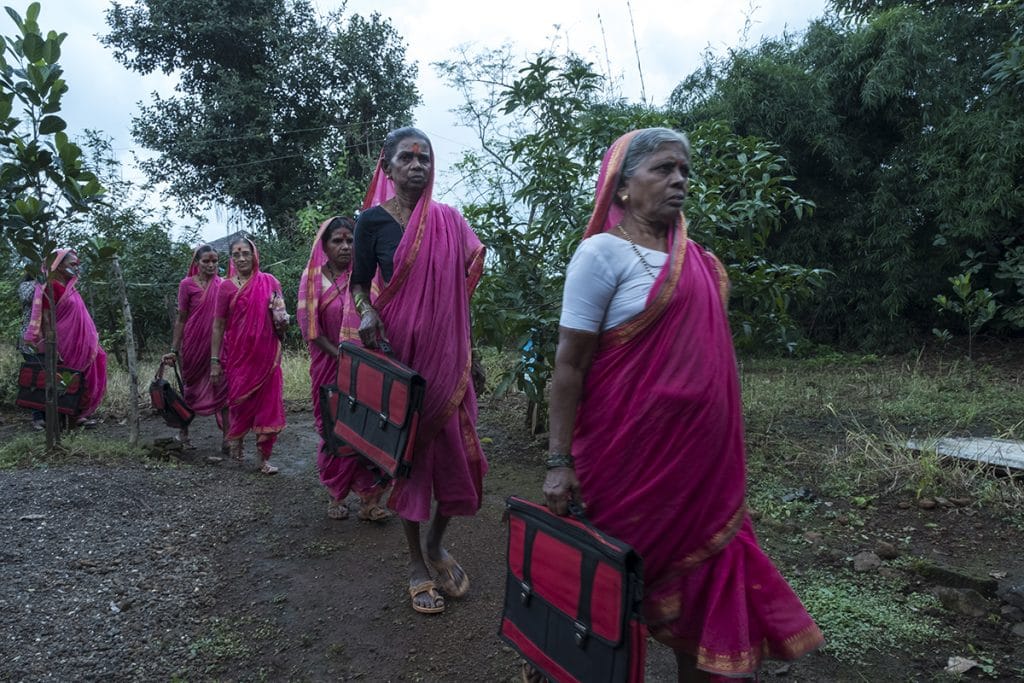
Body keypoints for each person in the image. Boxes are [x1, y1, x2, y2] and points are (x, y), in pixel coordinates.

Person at [542, 128, 824, 681]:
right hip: (625, 467)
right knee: (610, 599)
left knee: (702, 602)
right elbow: (570, 365)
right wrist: (558, 462)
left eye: (685, 171)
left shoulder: (700, 262)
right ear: (621, 188)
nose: (679, 181)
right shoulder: (601, 254)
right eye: (664, 169)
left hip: (703, 477)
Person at [351, 127, 486, 615]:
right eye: (406, 158)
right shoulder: (371, 223)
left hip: (450, 362)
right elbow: (359, 286)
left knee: (460, 462)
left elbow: (457, 295)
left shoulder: (448, 220)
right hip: (403, 362)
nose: (417, 166)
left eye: (424, 158)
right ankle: (415, 563)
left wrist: (474, 356)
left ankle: (437, 544)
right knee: (411, 465)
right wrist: (366, 312)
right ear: (387, 167)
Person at [298, 216, 391, 521]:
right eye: (337, 240)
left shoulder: (364, 279)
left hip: (365, 369)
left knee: (370, 431)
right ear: (324, 245)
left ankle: (370, 500)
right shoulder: (313, 280)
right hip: (329, 367)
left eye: (350, 240)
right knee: (334, 431)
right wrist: (342, 357)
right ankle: (335, 494)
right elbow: (312, 331)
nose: (345, 246)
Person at [210, 236, 289, 475]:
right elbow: (218, 324)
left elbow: (281, 316)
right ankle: (237, 441)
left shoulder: (270, 281)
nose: (242, 258)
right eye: (237, 254)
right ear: (231, 258)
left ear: (255, 255)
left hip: (267, 356)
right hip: (238, 357)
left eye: (246, 253)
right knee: (240, 402)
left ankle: (263, 458)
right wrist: (214, 360)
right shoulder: (226, 287)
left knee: (268, 405)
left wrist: (282, 319)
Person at [22, 249, 107, 427]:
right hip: (64, 341)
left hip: (80, 341)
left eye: (77, 264)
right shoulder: (51, 287)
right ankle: (63, 418)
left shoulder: (70, 287)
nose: (76, 268)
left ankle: (78, 414)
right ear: (59, 265)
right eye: (72, 264)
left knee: (85, 373)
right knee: (66, 377)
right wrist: (52, 344)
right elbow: (46, 318)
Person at [162, 244, 229, 452]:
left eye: (215, 261)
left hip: (219, 345)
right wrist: (174, 349)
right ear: (196, 263)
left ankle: (227, 437)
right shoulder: (186, 285)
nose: (211, 265)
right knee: (190, 390)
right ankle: (184, 433)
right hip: (193, 344)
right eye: (206, 261)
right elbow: (181, 319)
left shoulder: (224, 285)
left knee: (223, 389)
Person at [17, 272, 45, 430]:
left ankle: (50, 415)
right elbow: (27, 297)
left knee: (48, 376)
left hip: (48, 339)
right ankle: (37, 417)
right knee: (36, 378)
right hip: (30, 340)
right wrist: (40, 281)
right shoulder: (26, 286)